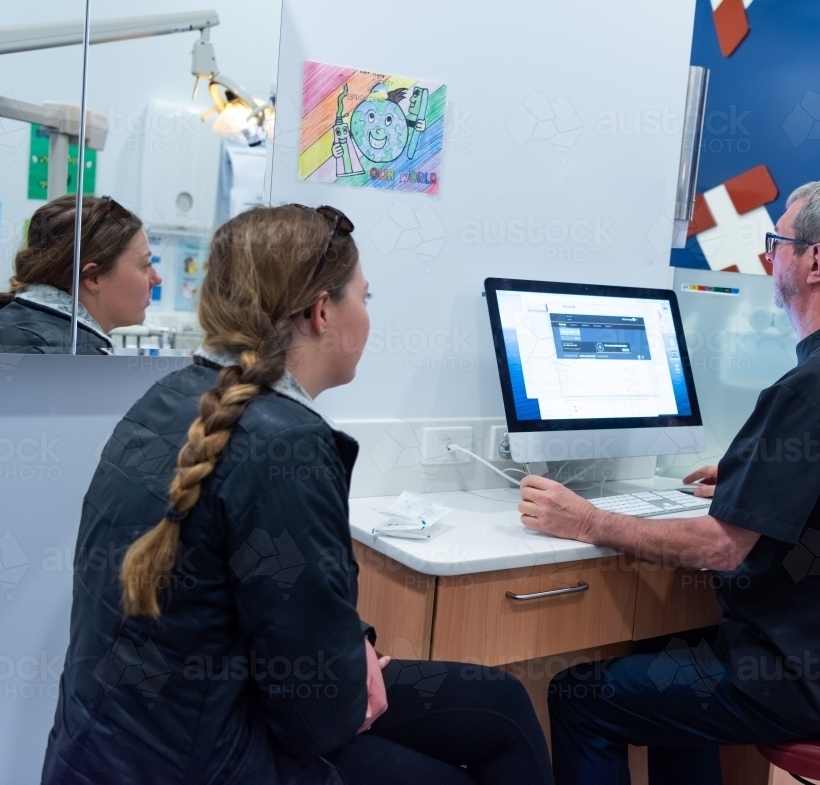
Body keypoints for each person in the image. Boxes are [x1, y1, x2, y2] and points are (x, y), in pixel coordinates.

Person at [41, 204, 553, 785]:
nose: (368, 315)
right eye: (364, 297)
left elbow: (271, 597)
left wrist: (350, 644)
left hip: (120, 741)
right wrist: (342, 671)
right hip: (204, 756)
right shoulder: (286, 447)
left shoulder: (167, 398)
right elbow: (323, 718)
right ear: (321, 312)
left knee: (501, 702)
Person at [517, 181, 820, 785]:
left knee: (581, 696)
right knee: (663, 658)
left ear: (815, 261)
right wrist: (757, 476)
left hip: (800, 683)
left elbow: (722, 548)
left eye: (778, 243)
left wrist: (589, 521)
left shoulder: (815, 384)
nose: (771, 259)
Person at [0, 195, 159, 354]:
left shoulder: (0, 327)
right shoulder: (75, 361)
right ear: (93, 278)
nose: (157, 279)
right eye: (146, 265)